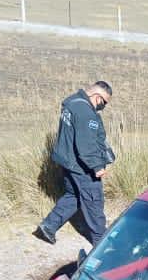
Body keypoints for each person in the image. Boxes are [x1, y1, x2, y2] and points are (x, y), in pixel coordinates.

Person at [34, 81, 115, 246]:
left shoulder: (72, 102)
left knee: (74, 196)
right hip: (82, 166)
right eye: (104, 102)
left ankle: (48, 226)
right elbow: (86, 145)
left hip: (68, 162)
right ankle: (101, 244)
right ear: (97, 96)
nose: (103, 107)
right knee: (94, 202)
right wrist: (97, 167)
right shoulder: (86, 113)